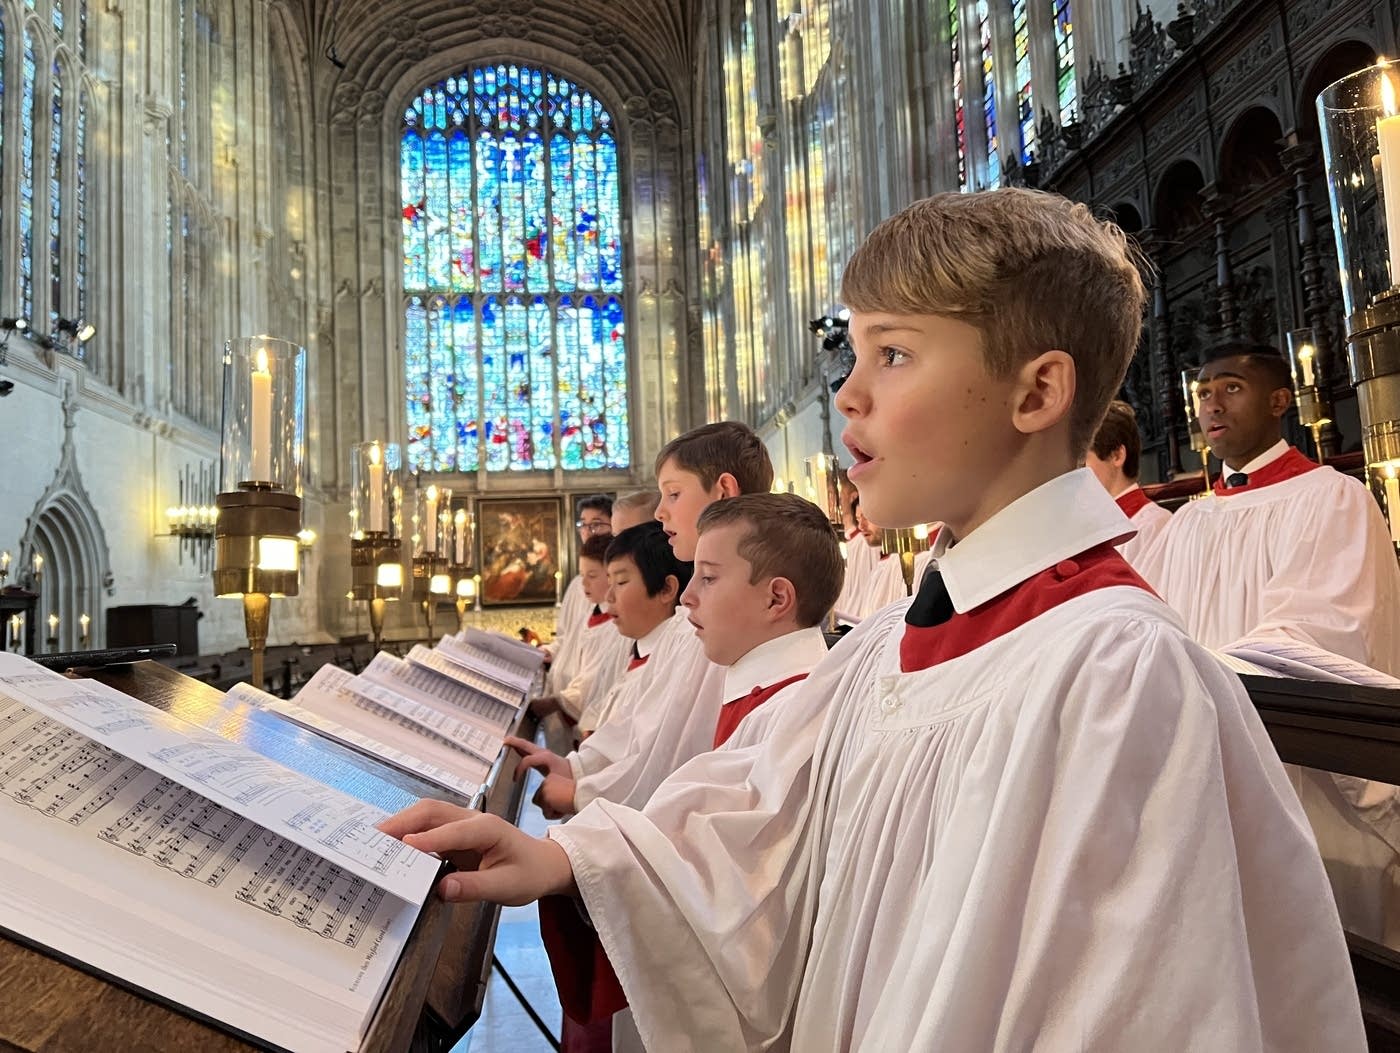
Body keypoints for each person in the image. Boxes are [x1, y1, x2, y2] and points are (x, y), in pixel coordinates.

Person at [383, 190, 1363, 1051]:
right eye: (854, 353)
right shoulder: (888, 650)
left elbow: (1130, 1014)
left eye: (891, 353)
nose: (846, 394)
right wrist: (560, 858)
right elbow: (750, 824)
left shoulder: (1116, 676)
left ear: (1036, 391)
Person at [541, 492, 843, 1050]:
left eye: (706, 578)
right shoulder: (759, 687)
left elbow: (741, 886)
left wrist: (567, 862)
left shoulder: (798, 710)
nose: (687, 601)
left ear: (777, 598)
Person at [1135, 340, 1400, 947]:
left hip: (1293, 756)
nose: (1212, 404)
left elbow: (1326, 627)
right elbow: (1155, 622)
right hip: (1201, 743)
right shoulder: (1192, 521)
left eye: (1231, 387)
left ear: (1280, 400)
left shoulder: (1332, 497)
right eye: (1203, 392)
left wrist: (1208, 678)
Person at [530, 533, 629, 726]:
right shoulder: (590, 613)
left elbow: (595, 681)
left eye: (592, 576)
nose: (583, 583)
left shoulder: (617, 627)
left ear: (611, 576)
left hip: (579, 721)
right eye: (582, 575)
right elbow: (568, 647)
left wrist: (557, 701)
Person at [1084, 399, 1171, 567]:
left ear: (1117, 455)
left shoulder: (1154, 525)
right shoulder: (1089, 528)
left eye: (1083, 461)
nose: (1075, 473)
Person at [547, 495, 615, 694]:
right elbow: (565, 637)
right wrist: (549, 652)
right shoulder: (577, 585)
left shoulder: (617, 587)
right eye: (583, 525)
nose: (588, 532)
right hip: (568, 683)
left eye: (596, 524)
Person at [834, 497, 907, 623]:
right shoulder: (883, 564)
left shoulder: (903, 562)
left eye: (867, 517)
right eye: (858, 520)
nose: (861, 526)